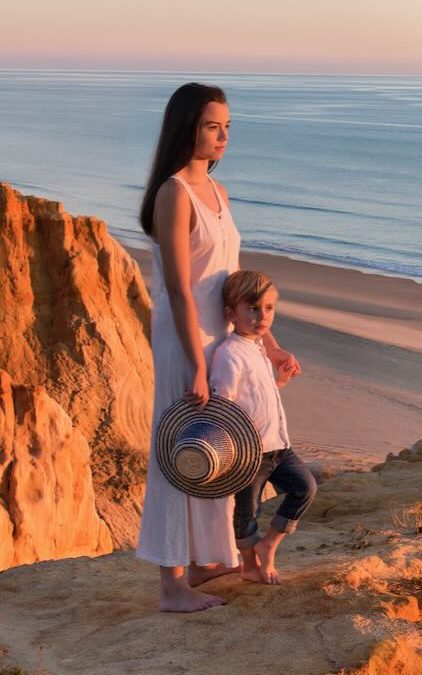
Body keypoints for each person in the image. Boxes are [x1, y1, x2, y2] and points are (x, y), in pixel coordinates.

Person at [135, 83, 302, 612]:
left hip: (226, 336)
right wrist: (195, 365)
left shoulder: (218, 192)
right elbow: (182, 290)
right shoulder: (173, 193)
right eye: (213, 125)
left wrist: (268, 343)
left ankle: (210, 560)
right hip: (184, 340)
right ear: (188, 126)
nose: (224, 136)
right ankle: (171, 585)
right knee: (179, 452)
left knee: (219, 454)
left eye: (228, 126)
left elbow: (235, 285)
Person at [209, 270, 316, 585]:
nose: (262, 316)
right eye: (252, 309)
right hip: (251, 453)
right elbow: (224, 403)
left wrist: (279, 380)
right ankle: (250, 567)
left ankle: (269, 544)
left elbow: (258, 394)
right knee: (246, 513)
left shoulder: (257, 348)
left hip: (280, 447)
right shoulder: (229, 355)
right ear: (231, 314)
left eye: (269, 308)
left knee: (305, 487)